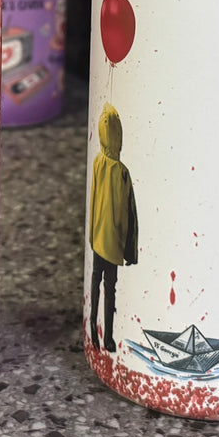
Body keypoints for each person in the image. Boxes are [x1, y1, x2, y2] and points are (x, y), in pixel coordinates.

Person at [89, 103, 138, 352]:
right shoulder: (121, 171)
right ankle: (107, 337)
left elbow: (93, 198)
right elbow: (131, 213)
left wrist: (92, 235)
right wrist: (130, 252)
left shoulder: (98, 162)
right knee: (110, 288)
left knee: (96, 280)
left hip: (99, 239)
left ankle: (93, 327)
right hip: (114, 242)